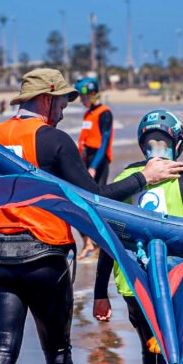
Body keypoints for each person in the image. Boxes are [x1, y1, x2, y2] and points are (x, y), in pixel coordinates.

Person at [0, 69, 183, 364]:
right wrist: (144, 177)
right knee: (59, 353)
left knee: (0, 354)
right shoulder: (54, 140)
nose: (65, 109)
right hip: (46, 258)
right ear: (48, 99)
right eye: (64, 101)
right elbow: (93, 198)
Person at [93, 110, 183, 364]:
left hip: (132, 282)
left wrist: (99, 292)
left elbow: (108, 237)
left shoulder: (127, 178)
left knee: (148, 352)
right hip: (174, 282)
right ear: (177, 142)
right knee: (170, 351)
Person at [76, 77, 114, 259]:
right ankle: (88, 242)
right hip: (85, 159)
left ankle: (99, 243)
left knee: (95, 202)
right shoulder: (87, 114)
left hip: (98, 161)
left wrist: (93, 167)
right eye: (81, 99)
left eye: (85, 98)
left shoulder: (104, 113)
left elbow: (104, 142)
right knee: (77, 200)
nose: (83, 101)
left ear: (93, 94)